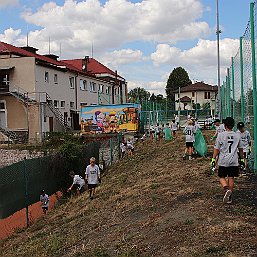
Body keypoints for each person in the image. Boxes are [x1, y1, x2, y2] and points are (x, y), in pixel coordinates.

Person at [211, 117, 244, 204]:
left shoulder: (221, 135)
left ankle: (226, 189)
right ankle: (229, 197)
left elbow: (217, 149)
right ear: (233, 126)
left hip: (223, 160)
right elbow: (240, 149)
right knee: (231, 177)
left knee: (221, 177)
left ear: (224, 125)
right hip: (234, 160)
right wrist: (242, 159)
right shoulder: (237, 135)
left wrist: (213, 158)